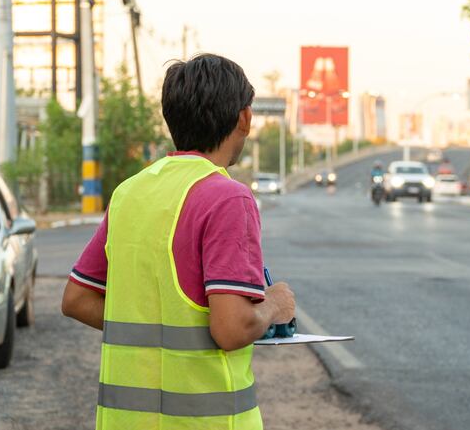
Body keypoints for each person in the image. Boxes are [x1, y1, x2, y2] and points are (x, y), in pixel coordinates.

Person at [61, 54, 295, 430]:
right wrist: (274, 305)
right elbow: (232, 328)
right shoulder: (228, 198)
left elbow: (77, 299)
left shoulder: (129, 193)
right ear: (245, 118)